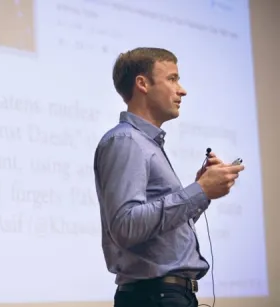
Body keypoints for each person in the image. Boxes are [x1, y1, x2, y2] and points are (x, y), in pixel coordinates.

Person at [93, 47, 245, 307]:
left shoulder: (146, 144)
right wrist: (199, 190)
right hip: (153, 297)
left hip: (167, 296)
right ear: (142, 84)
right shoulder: (126, 141)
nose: (182, 90)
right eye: (172, 79)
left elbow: (159, 233)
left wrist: (203, 192)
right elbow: (125, 226)